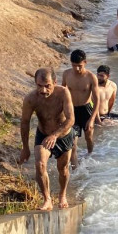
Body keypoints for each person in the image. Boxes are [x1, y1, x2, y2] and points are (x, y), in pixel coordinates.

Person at [18, 68, 74, 210]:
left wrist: (55, 135)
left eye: (47, 86)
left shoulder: (63, 93)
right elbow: (25, 122)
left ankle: (62, 195)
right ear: (35, 84)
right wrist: (25, 148)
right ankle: (47, 199)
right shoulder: (31, 99)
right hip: (43, 134)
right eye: (39, 86)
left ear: (55, 82)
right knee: (40, 164)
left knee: (63, 169)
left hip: (63, 135)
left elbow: (71, 119)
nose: (43, 90)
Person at [62, 50, 100, 168]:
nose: (76, 69)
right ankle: (75, 170)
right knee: (73, 143)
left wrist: (92, 119)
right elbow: (62, 93)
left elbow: (97, 100)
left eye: (79, 66)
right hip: (72, 110)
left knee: (89, 138)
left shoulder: (91, 77)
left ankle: (90, 157)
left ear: (85, 62)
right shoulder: (66, 74)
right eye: (74, 65)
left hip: (86, 110)